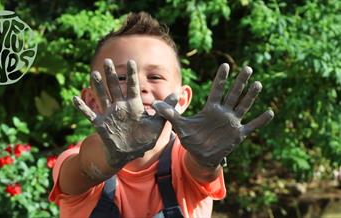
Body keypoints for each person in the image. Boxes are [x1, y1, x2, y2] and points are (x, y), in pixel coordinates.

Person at [49, 12, 274, 218]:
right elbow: (86, 170)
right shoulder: (75, 161)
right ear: (91, 101)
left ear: (183, 99)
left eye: (155, 76)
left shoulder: (186, 162)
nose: (140, 87)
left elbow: (202, 173)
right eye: (121, 78)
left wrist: (207, 159)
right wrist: (109, 156)